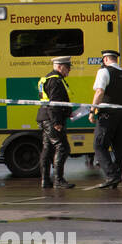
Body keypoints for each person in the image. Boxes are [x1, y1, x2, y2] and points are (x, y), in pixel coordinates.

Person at [90, 49, 122, 188]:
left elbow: (100, 91)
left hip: (107, 113)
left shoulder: (104, 71)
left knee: (99, 145)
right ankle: (117, 176)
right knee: (119, 148)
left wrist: (92, 110)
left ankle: (111, 175)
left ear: (106, 59)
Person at [37, 56, 75, 188]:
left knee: (47, 149)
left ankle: (45, 180)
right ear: (59, 67)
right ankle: (58, 180)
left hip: (44, 117)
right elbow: (54, 104)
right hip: (51, 119)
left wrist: (67, 112)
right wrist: (56, 122)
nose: (69, 70)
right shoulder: (55, 81)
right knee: (63, 147)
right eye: (67, 67)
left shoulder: (47, 79)